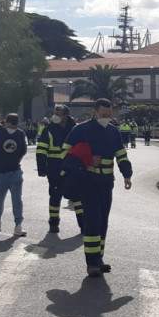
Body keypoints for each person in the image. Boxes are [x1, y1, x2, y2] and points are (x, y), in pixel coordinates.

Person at [62, 98, 132, 278]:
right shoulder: (81, 130)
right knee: (93, 221)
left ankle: (99, 258)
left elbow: (121, 155)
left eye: (109, 115)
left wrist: (127, 174)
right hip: (87, 181)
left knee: (103, 222)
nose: (106, 118)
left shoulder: (113, 132)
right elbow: (65, 154)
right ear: (94, 112)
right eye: (103, 115)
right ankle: (91, 263)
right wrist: (86, 160)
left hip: (106, 183)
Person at [0, 113, 28, 236]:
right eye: (11, 123)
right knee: (0, 198)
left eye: (15, 124)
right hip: (0, 172)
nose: (13, 126)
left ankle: (18, 225)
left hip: (13, 171)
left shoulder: (19, 134)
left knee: (16, 199)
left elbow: (22, 150)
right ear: (6, 122)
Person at [37, 104, 77, 233]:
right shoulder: (48, 129)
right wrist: (42, 169)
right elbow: (41, 150)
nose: (54, 116)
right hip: (54, 168)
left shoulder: (75, 129)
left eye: (58, 114)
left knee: (77, 197)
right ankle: (53, 223)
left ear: (65, 115)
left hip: (72, 168)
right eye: (54, 113)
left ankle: (84, 225)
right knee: (55, 196)